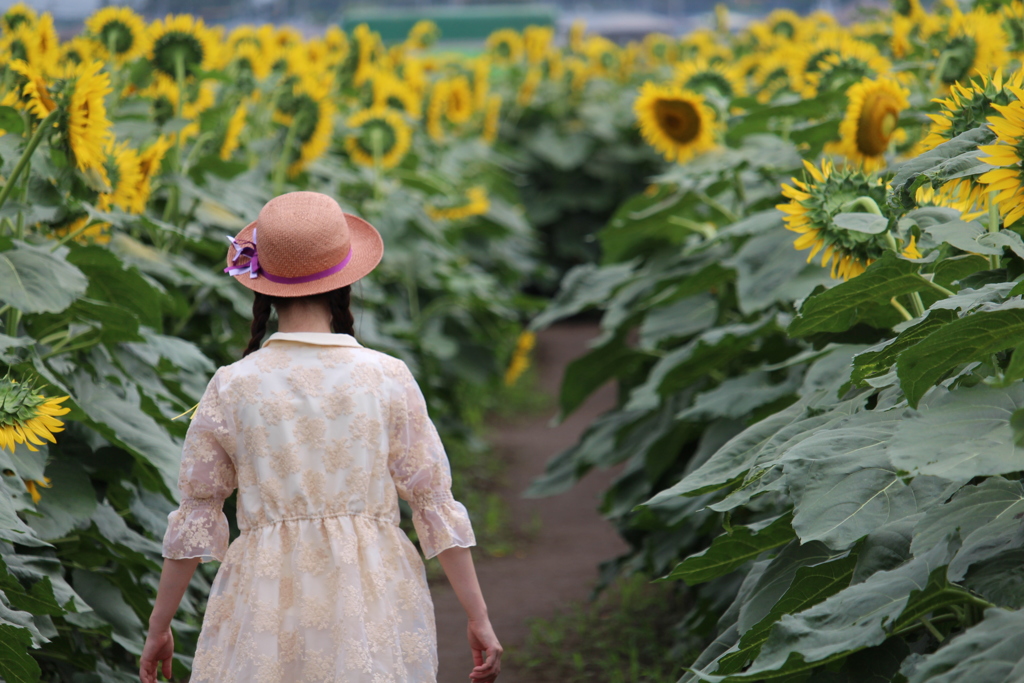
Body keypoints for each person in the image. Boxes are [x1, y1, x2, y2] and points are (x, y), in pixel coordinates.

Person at [139, 191, 502, 683]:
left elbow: (198, 513)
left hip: (265, 594)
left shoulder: (233, 384)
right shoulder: (387, 376)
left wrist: (159, 626)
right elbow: (432, 502)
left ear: (263, 288)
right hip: (372, 591)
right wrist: (478, 617)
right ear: (344, 282)